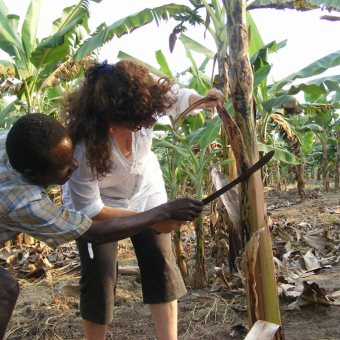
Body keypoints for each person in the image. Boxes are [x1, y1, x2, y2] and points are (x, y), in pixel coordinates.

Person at [0, 113, 204, 340]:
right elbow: (94, 232)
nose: (75, 165)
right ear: (32, 174)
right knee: (4, 290)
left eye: (72, 157)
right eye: (64, 165)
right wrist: (162, 212)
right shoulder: (25, 202)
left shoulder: (14, 142)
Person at [61, 59, 224, 340]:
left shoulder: (143, 98)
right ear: (107, 121)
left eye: (143, 122)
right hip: (96, 205)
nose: (140, 129)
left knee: (160, 264)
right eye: (131, 125)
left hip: (145, 190)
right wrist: (157, 216)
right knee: (99, 275)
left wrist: (203, 100)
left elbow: (177, 98)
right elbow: (92, 209)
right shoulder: (81, 144)